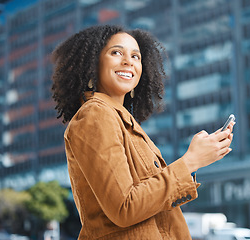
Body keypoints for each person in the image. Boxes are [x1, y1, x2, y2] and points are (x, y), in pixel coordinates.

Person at [51, 25, 234, 239]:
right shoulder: (95, 115)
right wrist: (190, 161)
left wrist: (198, 160)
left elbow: (151, 203)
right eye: (116, 52)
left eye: (135, 56)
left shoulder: (123, 122)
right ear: (92, 65)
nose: (128, 61)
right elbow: (124, 208)